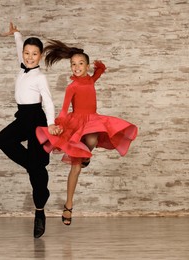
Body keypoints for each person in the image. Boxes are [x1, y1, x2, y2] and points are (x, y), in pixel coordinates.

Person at [36, 40, 138, 225]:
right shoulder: (71, 87)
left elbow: (96, 76)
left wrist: (100, 68)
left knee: (92, 138)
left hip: (92, 121)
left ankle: (86, 156)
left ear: (87, 66)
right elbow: (64, 109)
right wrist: (58, 125)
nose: (76, 67)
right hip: (76, 124)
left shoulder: (90, 79)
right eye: (73, 64)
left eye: (80, 63)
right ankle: (68, 206)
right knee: (76, 166)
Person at [0, 22, 61, 238]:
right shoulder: (22, 64)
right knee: (2, 140)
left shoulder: (40, 77)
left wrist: (51, 123)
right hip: (22, 117)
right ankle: (32, 165)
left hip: (37, 120)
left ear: (40, 56)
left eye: (34, 54)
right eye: (27, 53)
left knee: (37, 174)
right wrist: (17, 35)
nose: (29, 57)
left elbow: (48, 102)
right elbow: (18, 48)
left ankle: (40, 211)